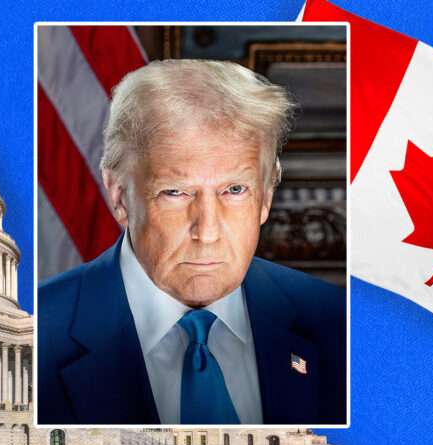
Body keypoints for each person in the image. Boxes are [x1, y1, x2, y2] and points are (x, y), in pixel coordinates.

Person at [38, 59, 346, 425]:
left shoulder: (339, 323)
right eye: (176, 192)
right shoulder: (35, 334)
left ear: (265, 197)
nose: (208, 231)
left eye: (234, 190)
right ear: (120, 197)